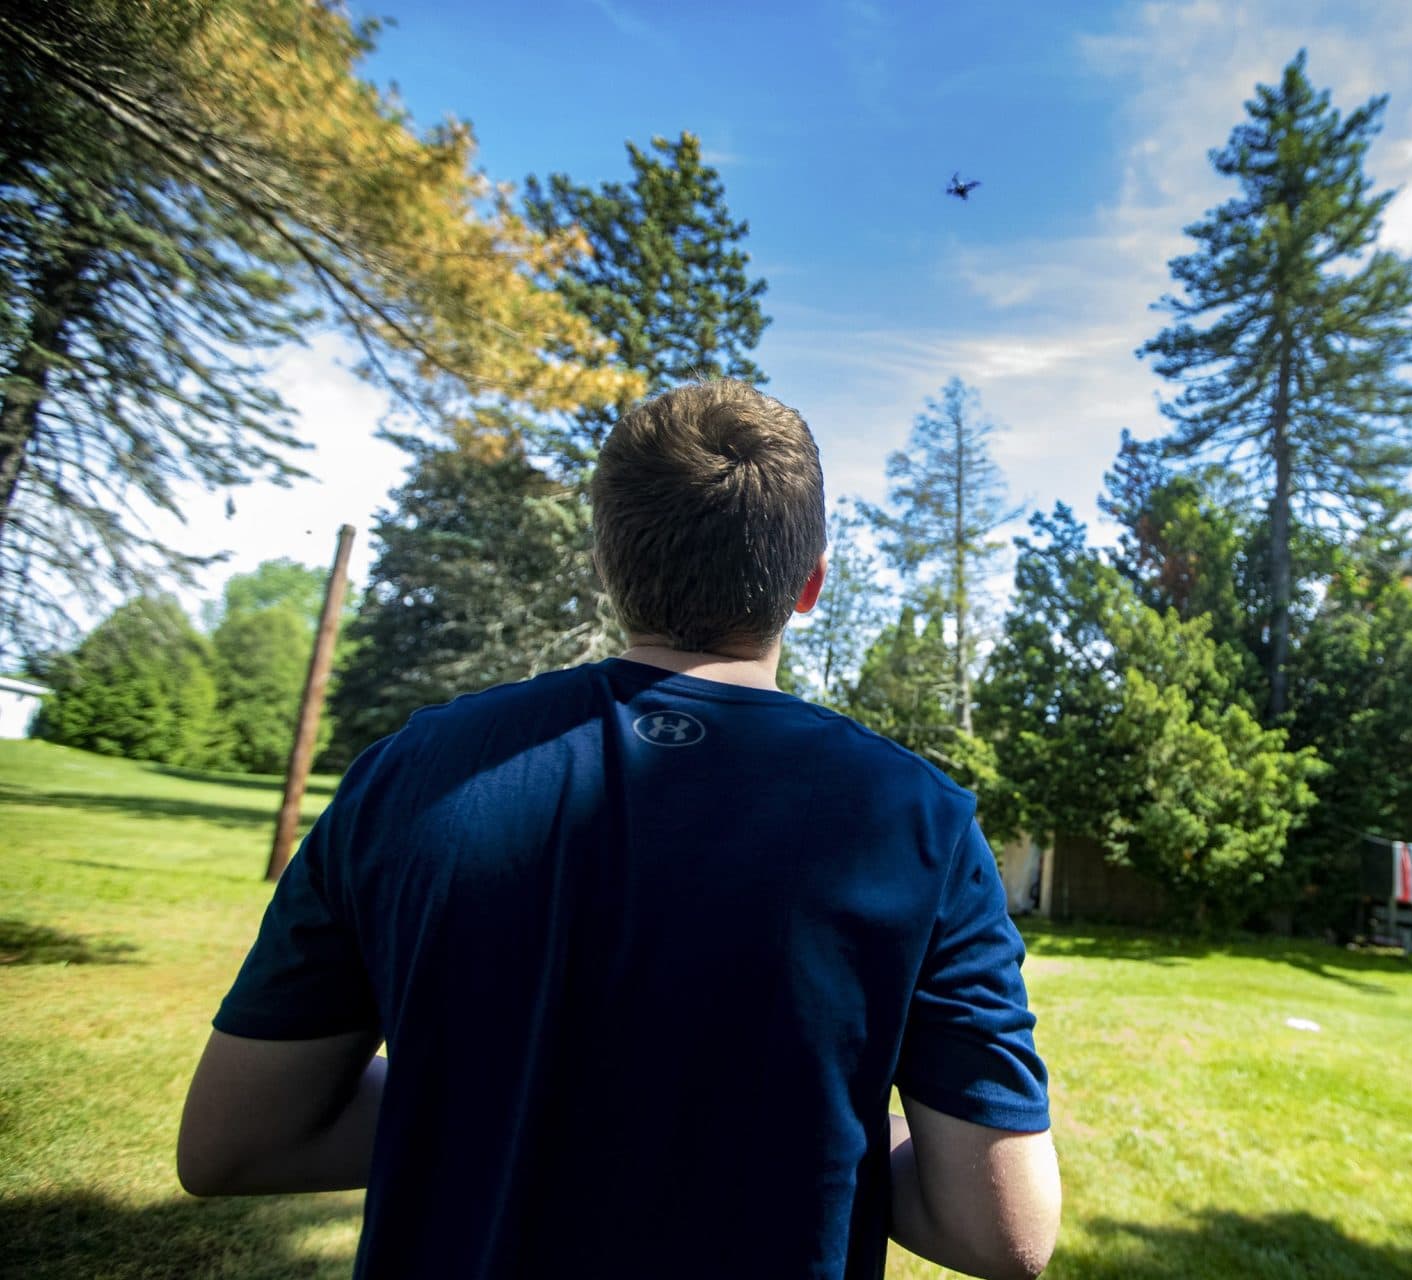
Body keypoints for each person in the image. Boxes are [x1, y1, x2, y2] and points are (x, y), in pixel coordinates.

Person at [177, 380, 1060, 1279]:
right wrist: (805, 1117)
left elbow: (236, 1142)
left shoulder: (408, 775)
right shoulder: (919, 823)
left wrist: (505, 1086)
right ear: (811, 584)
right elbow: (1004, 1232)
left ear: (608, 562)